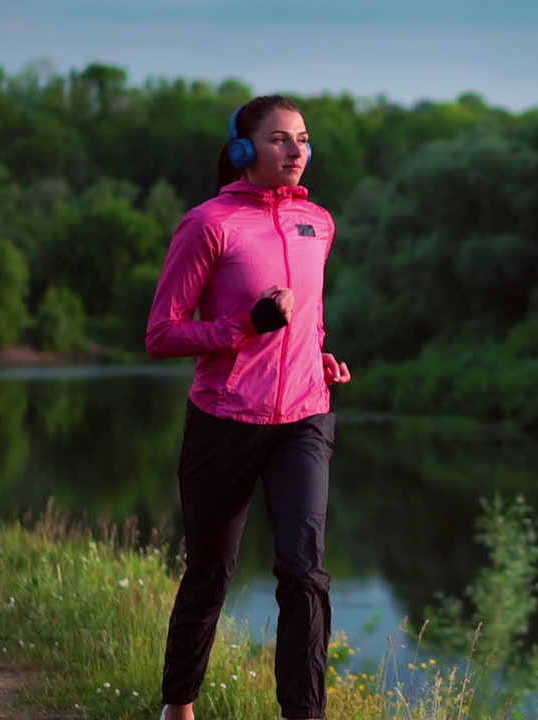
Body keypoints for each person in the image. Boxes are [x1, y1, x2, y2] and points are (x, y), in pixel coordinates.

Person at [145, 94, 352, 720]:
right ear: (243, 149)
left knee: (303, 571)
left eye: (304, 138)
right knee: (211, 571)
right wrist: (243, 327)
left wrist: (317, 358)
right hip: (225, 420)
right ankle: (179, 706)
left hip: (305, 419)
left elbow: (307, 320)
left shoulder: (319, 222)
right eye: (280, 139)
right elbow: (162, 333)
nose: (296, 150)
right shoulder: (209, 223)